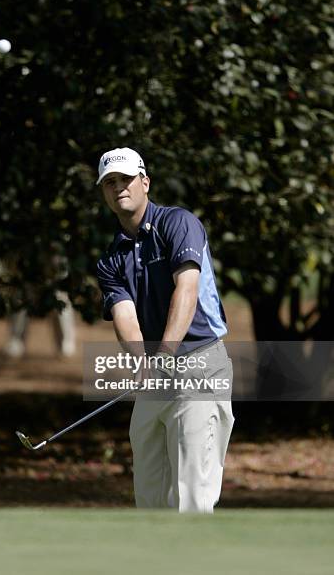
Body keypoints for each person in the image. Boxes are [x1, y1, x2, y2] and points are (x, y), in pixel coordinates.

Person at [96, 147, 234, 513]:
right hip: (156, 374)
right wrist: (143, 363)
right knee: (150, 495)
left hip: (199, 364)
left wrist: (165, 354)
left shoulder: (178, 223)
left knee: (192, 496)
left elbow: (186, 289)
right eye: (110, 182)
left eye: (125, 179)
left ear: (145, 181)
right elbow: (125, 315)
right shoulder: (111, 258)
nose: (118, 187)